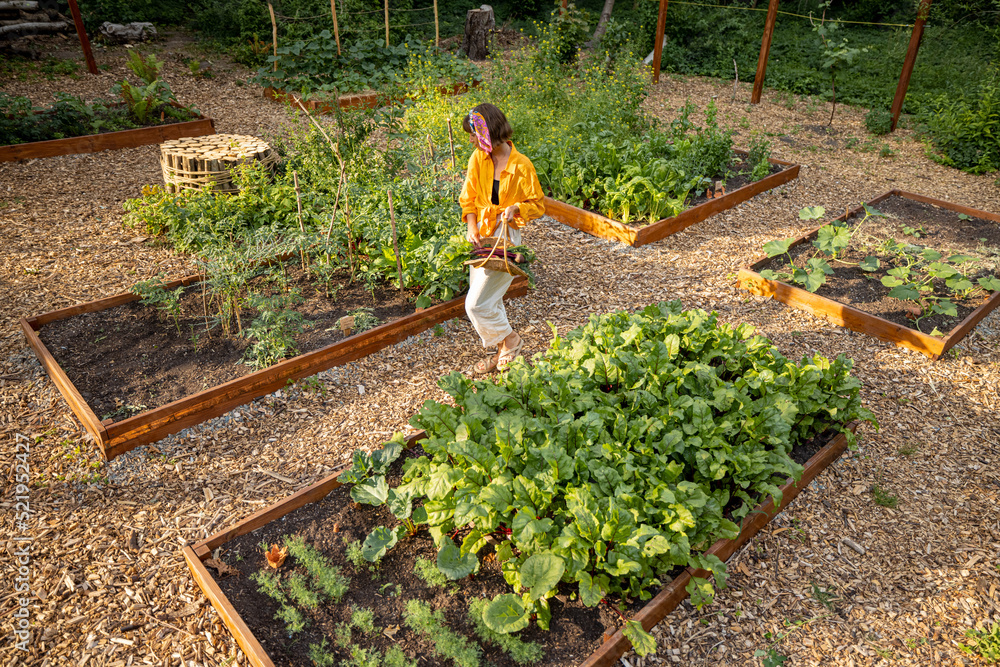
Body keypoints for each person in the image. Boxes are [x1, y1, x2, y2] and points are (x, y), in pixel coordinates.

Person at [459, 103, 545, 374]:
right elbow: (468, 198)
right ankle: (502, 350)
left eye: (473, 134)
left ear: (488, 131)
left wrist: (517, 207)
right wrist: (472, 226)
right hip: (480, 236)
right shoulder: (478, 158)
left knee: (475, 304)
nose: (471, 140)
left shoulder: (522, 165)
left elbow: (538, 204)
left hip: (505, 237)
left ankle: (510, 339)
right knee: (490, 300)